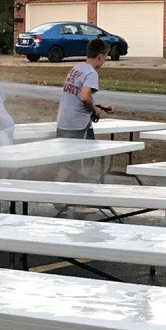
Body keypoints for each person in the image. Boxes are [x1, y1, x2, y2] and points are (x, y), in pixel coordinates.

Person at [54, 38, 110, 212]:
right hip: (78, 125)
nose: (105, 60)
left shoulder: (77, 68)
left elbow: (77, 95)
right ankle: (79, 204)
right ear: (100, 56)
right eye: (106, 57)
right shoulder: (92, 73)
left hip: (64, 120)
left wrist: (98, 106)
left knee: (67, 163)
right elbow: (84, 96)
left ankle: (54, 195)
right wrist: (93, 109)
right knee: (85, 164)